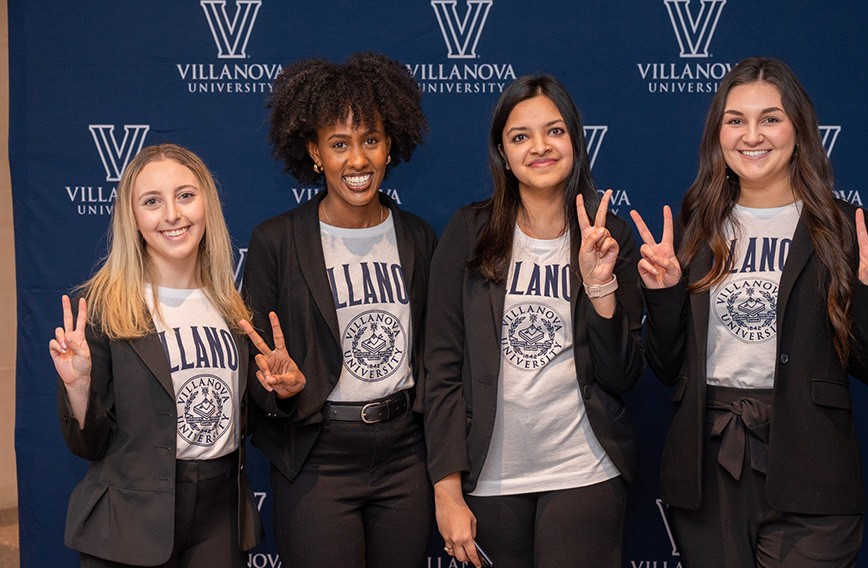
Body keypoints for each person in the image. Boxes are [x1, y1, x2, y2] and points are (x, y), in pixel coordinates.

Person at [632, 56, 868, 567]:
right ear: (718, 134)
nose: (752, 136)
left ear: (798, 130)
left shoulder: (849, 230)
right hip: (709, 466)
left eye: (770, 119)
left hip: (814, 467)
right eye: (735, 120)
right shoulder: (690, 231)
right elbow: (665, 369)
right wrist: (664, 295)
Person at [424, 74, 644, 568]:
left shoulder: (610, 236)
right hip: (489, 478)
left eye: (555, 131)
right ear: (503, 153)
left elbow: (621, 375)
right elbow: (441, 370)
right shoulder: (469, 233)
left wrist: (600, 286)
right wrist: (446, 491)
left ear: (575, 142)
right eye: (521, 136)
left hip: (586, 471)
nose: (540, 147)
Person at [242, 52, 436, 568]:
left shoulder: (418, 238)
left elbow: (438, 356)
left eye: (370, 140)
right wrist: (279, 390)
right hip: (317, 456)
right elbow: (254, 364)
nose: (357, 161)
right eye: (340, 144)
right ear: (315, 151)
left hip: (405, 455)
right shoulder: (276, 241)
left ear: (390, 145)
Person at [49, 143, 267, 567]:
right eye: (152, 201)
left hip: (220, 518)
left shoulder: (234, 307)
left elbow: (247, 419)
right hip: (129, 523)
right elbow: (89, 444)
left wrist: (281, 390)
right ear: (132, 218)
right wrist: (78, 387)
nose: (172, 214)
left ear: (207, 203)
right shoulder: (102, 310)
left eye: (185, 195)